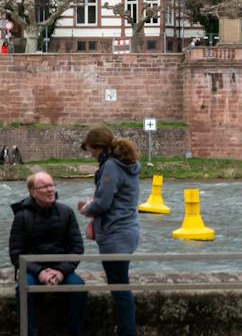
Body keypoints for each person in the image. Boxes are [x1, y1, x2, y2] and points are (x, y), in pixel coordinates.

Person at [79, 126, 142, 335]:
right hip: (127, 230)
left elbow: (104, 203)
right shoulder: (128, 164)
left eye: (91, 150)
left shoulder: (111, 167)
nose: (91, 155)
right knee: (119, 284)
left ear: (99, 148)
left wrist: (86, 208)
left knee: (119, 288)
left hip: (116, 233)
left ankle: (127, 332)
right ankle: (126, 330)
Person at [8, 170, 86, 336]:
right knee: (23, 290)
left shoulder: (66, 212)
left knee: (79, 289)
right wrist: (39, 271)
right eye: (44, 186)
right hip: (32, 270)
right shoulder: (22, 216)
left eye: (52, 185)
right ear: (33, 192)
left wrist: (61, 271)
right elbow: (16, 253)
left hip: (61, 268)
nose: (50, 190)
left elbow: (77, 248)